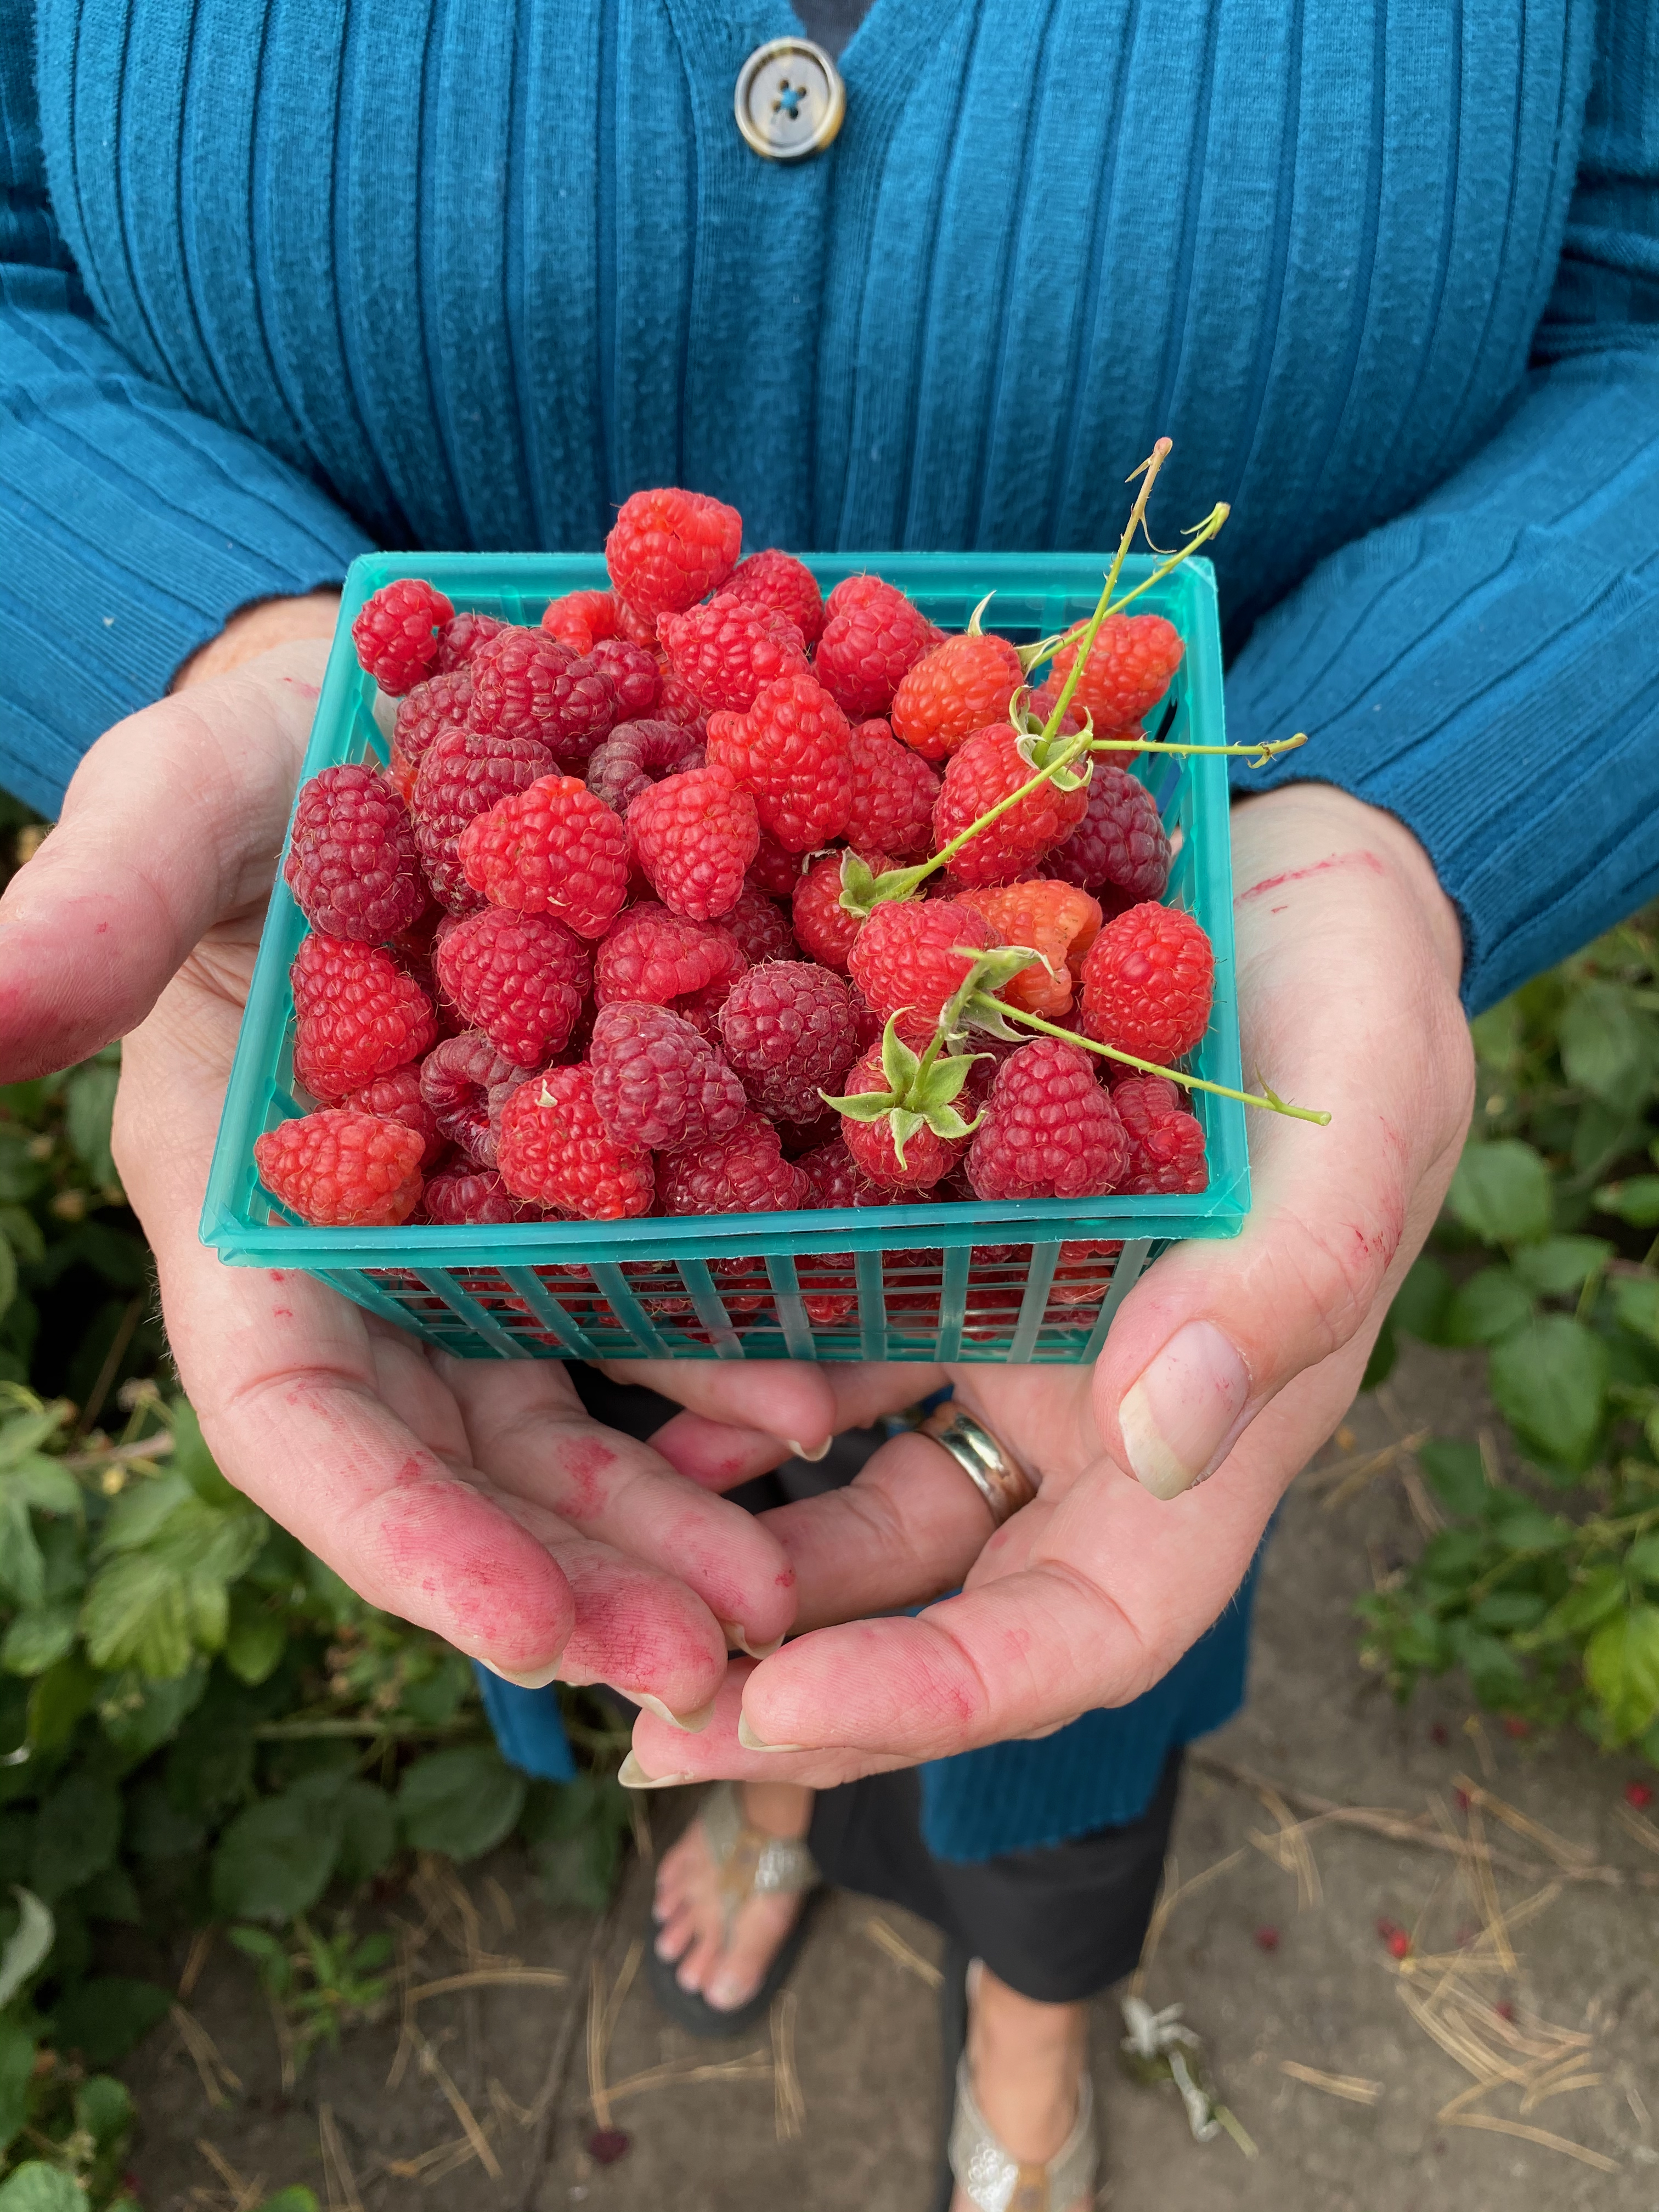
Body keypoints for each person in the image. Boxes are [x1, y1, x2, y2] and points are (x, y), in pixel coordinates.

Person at [2, 0, 1657, 2202]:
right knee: (667, 1610)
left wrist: (1396, 816)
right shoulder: (575, 923)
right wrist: (231, 672)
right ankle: (756, 1807)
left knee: (1083, 1631)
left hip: (1088, 1217)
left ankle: (1035, 2038)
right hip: (530, 1222)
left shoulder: (987, 941)